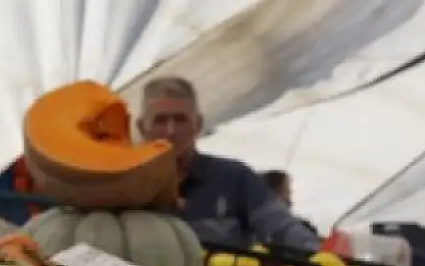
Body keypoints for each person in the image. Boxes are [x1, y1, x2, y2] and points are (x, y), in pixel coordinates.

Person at [136, 77, 322, 253]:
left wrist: (320, 258)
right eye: (160, 120)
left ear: (198, 124)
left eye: (180, 120)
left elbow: (281, 227)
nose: (171, 131)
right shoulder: (122, 188)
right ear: (141, 128)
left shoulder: (234, 178)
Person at [259, 169, 321, 244]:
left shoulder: (249, 223)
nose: (291, 193)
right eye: (287, 191)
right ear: (276, 193)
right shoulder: (291, 228)